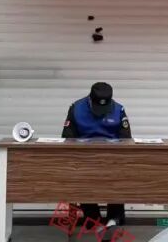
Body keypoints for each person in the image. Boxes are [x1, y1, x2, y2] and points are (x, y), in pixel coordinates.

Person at [62, 82, 132, 231]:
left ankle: (114, 219)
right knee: (83, 178)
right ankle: (92, 218)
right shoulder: (76, 108)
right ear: (90, 99)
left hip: (112, 158)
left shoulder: (119, 109)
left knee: (119, 175)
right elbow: (67, 137)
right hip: (84, 159)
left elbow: (126, 138)